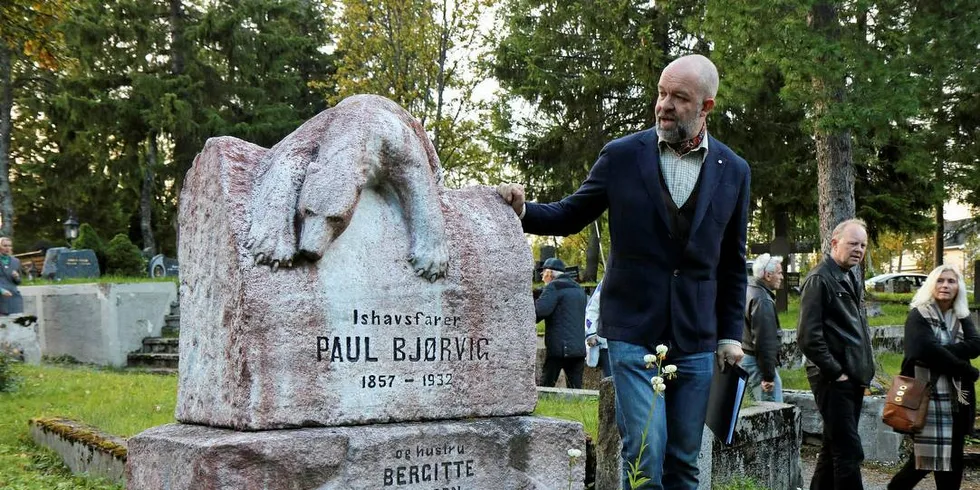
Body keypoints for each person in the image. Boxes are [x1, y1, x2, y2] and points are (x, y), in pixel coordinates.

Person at [498, 54, 750, 489]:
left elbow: (732, 261)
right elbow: (571, 213)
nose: (664, 105)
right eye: (661, 93)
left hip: (695, 337)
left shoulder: (735, 171)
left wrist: (730, 335)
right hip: (633, 330)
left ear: (707, 106)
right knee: (646, 452)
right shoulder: (621, 156)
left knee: (684, 461)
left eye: (679, 98)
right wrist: (522, 210)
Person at [797, 218, 875, 490]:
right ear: (834, 243)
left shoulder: (848, 275)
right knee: (848, 452)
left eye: (863, 245)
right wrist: (836, 372)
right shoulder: (820, 278)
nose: (859, 249)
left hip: (850, 378)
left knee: (832, 449)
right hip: (833, 379)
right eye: (853, 243)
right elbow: (808, 336)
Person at [887, 265, 980, 490]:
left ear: (958, 287)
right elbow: (920, 350)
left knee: (953, 459)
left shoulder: (962, 315)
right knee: (922, 461)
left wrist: (940, 350)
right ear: (931, 285)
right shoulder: (919, 314)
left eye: (951, 281)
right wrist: (964, 368)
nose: (945, 285)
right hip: (924, 400)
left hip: (957, 401)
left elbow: (975, 345)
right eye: (940, 281)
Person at [536, 257, 588, 388]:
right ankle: (578, 409)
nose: (542, 278)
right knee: (576, 390)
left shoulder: (553, 287)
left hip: (559, 348)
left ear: (549, 273)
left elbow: (540, 311)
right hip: (578, 349)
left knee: (546, 387)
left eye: (543, 274)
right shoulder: (578, 289)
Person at [742, 253, 784, 402]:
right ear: (768, 275)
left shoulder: (749, 290)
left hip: (748, 360)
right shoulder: (762, 300)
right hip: (757, 364)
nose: (782, 277)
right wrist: (768, 375)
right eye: (779, 273)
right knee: (771, 411)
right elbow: (764, 341)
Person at [584, 280, 612, 378]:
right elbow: (592, 310)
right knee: (611, 379)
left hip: (635, 341)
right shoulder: (608, 281)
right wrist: (591, 334)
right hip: (608, 342)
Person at [0, 237, 23, 315]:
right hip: (1, 297)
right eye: (5, 246)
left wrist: (16, 277)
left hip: (14, 298)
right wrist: (1, 290)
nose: (7, 248)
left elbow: (19, 282)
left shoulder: (16, 261)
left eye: (9, 246)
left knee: (17, 324)